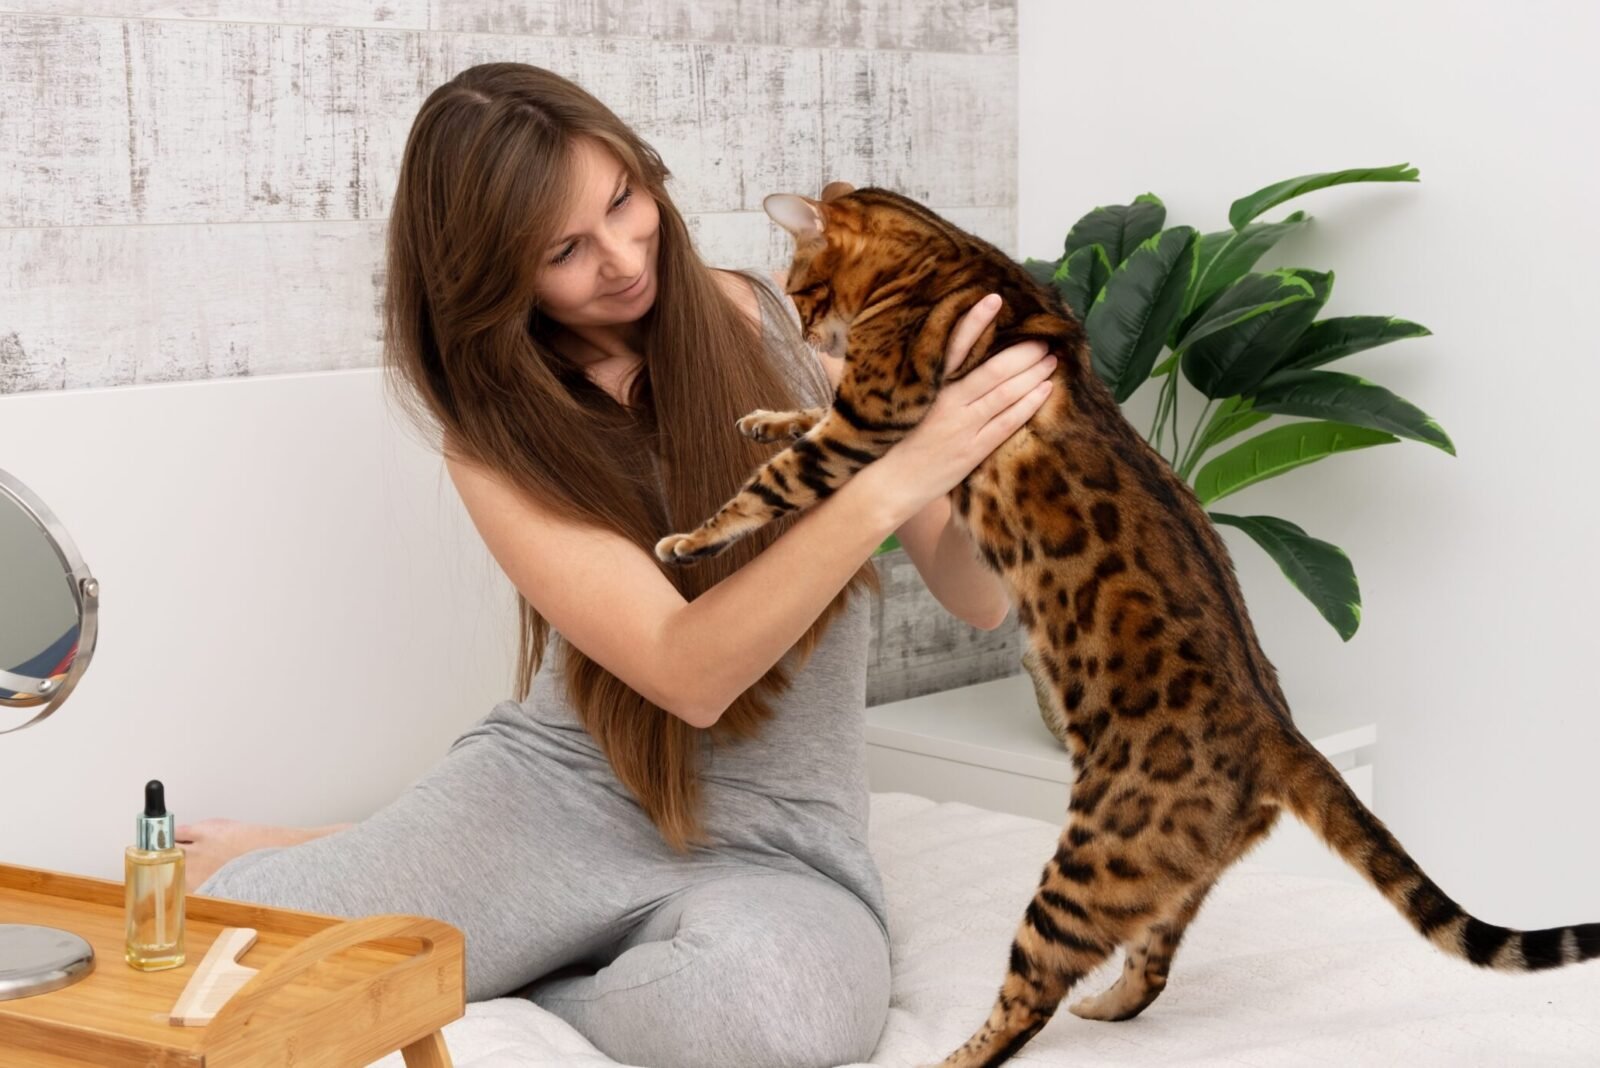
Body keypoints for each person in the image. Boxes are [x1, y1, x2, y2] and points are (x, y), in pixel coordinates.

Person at [176, 62, 1055, 1068]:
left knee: (774, 1020)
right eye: (564, 250)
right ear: (492, 278)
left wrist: (989, 450)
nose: (623, 256)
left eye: (625, 201)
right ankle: (392, 875)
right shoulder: (494, 437)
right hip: (552, 802)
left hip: (780, 844)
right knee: (218, 949)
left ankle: (521, 953)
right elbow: (688, 672)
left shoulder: (764, 325)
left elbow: (976, 596)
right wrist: (891, 482)